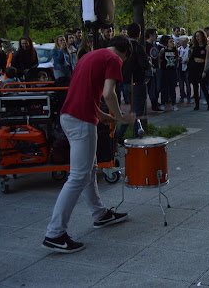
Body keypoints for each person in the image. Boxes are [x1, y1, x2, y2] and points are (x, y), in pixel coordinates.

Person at [42, 36, 135, 253]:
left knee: (88, 170)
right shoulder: (114, 59)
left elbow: (83, 94)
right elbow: (108, 93)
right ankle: (55, 233)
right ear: (126, 52)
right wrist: (120, 117)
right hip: (81, 120)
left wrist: (102, 114)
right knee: (78, 176)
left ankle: (100, 214)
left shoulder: (88, 56)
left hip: (70, 116)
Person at [117, 23, 150, 141]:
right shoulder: (138, 47)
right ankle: (134, 135)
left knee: (133, 110)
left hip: (125, 83)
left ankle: (121, 134)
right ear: (139, 34)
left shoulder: (123, 48)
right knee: (137, 112)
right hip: (137, 83)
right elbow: (144, 65)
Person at [189, 30, 209, 111]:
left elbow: (206, 59)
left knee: (203, 86)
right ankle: (197, 104)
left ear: (203, 36)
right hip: (194, 66)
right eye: (196, 36)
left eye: (199, 36)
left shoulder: (207, 47)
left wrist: (204, 70)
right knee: (195, 87)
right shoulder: (194, 46)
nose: (197, 38)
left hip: (201, 66)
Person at [159, 37, 179, 111]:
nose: (173, 43)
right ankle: (163, 104)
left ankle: (174, 104)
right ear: (167, 44)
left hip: (173, 71)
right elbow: (159, 58)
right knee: (164, 88)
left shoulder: (175, 51)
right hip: (165, 71)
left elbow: (177, 59)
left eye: (173, 41)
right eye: (171, 42)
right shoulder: (163, 50)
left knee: (172, 88)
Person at [145, 28, 162, 112]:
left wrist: (158, 66)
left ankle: (156, 101)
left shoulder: (155, 44)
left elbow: (157, 55)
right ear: (151, 35)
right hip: (150, 70)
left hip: (157, 68)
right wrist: (151, 68)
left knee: (157, 87)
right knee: (152, 88)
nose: (157, 36)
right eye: (155, 34)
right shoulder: (145, 45)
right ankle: (153, 104)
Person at [177, 37, 191, 104]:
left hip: (187, 69)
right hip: (180, 69)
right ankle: (182, 97)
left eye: (181, 41)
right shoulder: (179, 49)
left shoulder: (190, 49)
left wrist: (187, 61)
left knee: (188, 84)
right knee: (181, 84)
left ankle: (189, 98)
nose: (180, 42)